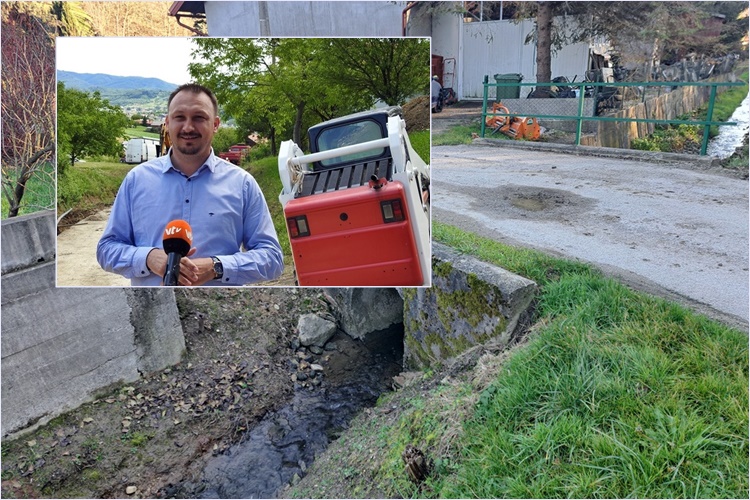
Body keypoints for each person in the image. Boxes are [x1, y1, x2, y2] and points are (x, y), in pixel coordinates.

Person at [97, 83, 284, 286]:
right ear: (167, 123)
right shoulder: (137, 180)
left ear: (215, 124)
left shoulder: (242, 184)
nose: (188, 127)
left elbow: (272, 258)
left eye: (199, 117)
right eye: (179, 117)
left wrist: (217, 267)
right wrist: (149, 258)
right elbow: (107, 249)